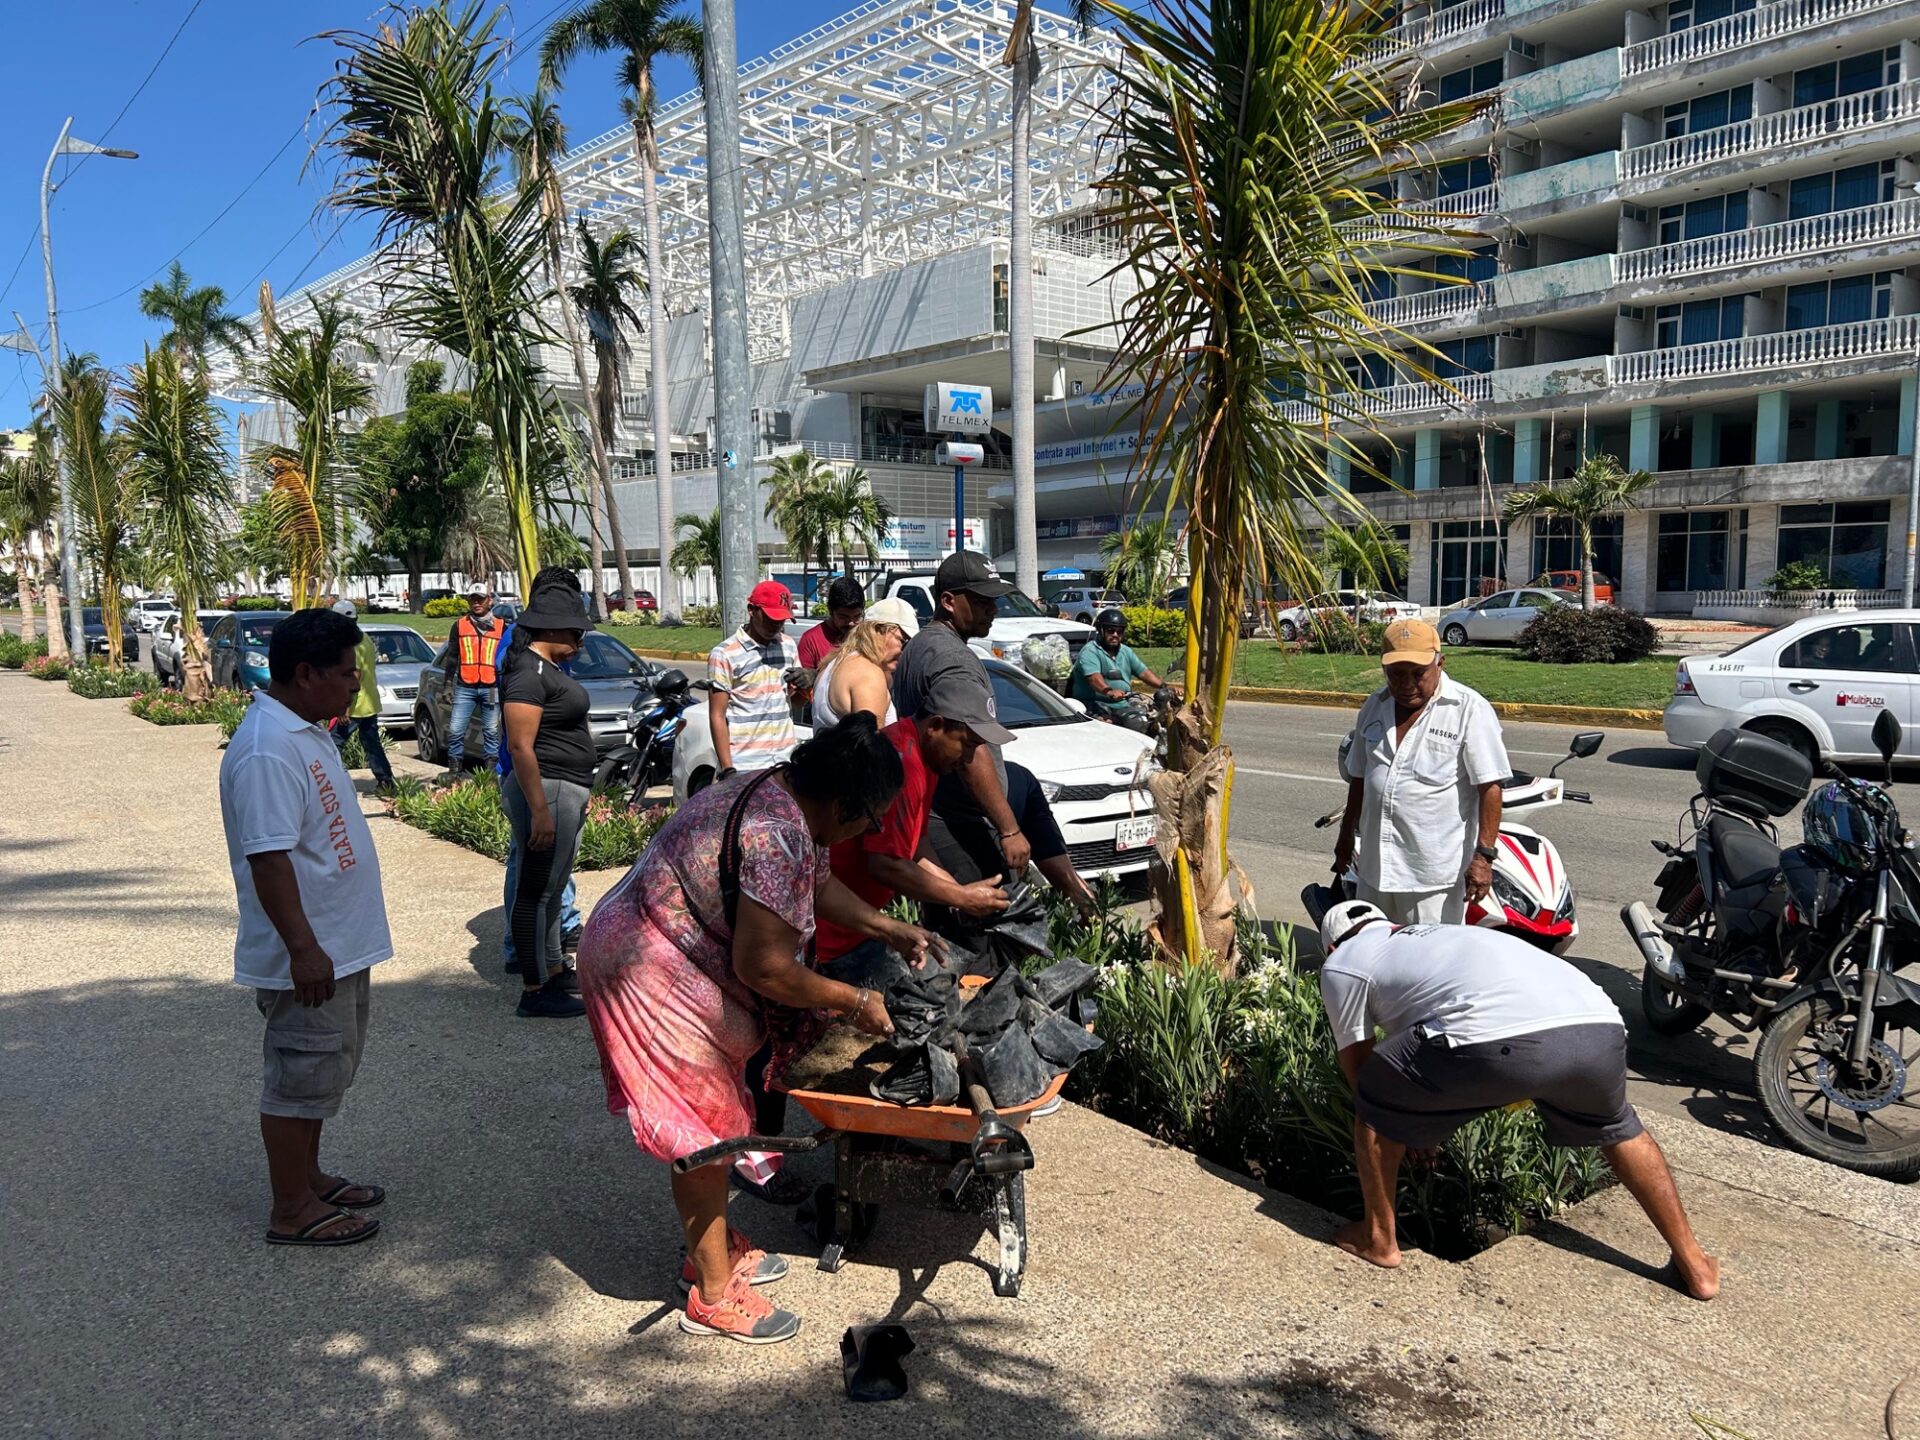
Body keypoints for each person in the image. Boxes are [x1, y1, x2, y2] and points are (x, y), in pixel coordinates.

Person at [576, 716, 940, 1343]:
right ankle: (712, 1293)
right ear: (841, 802)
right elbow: (765, 966)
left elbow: (817, 885)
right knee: (701, 1132)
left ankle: (710, 1247)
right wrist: (855, 1001)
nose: (873, 830)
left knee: (722, 1111)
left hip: (664, 950)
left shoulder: (789, 795)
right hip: (646, 966)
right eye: (872, 817)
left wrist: (891, 929)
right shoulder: (776, 833)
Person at [1315, 901, 1720, 1301]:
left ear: (1331, 946)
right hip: (1601, 1028)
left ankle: (1378, 1238)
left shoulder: (1344, 962)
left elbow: (1360, 1069)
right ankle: (1695, 1264)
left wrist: (1407, 1123)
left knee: (1374, 1092)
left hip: (1502, 1042)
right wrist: (1418, 1117)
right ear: (1388, 923)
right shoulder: (1439, 936)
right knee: (1619, 1130)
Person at [218, 607, 392, 1248]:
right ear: (304, 672)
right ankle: (291, 1207)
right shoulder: (267, 749)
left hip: (337, 947)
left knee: (325, 1072)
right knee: (299, 1076)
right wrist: (304, 948)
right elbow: (268, 857)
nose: (354, 684)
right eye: (345, 673)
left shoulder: (302, 730)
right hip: (309, 956)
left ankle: (310, 1176)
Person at [894, 551, 1096, 914]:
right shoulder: (953, 662)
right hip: (961, 817)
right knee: (992, 925)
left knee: (1024, 782)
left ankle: (1083, 903)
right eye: (982, 600)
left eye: (994, 600)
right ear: (949, 602)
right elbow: (969, 749)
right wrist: (1008, 829)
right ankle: (1083, 910)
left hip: (941, 804)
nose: (994, 608)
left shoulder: (920, 645)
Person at [815, 671, 1015, 962]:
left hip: (855, 924)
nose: (969, 759)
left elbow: (916, 844)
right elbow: (885, 865)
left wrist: (957, 892)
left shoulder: (925, 758)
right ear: (936, 725)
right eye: (968, 744)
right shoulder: (904, 764)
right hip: (831, 930)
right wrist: (961, 898)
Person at [1331, 618, 1508, 926]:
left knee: (1428, 965)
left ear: (1440, 663)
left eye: (1418, 673)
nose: (1407, 683)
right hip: (1375, 869)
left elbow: (1490, 788)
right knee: (1375, 959)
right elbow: (1359, 778)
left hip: (1431, 878)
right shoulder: (1374, 707)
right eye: (1396, 674)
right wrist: (1346, 835)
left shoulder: (1468, 709)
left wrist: (1484, 857)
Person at [501, 579, 598, 1019]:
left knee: (553, 889)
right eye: (576, 632)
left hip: (564, 789)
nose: (580, 640)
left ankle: (554, 967)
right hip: (548, 788)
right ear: (553, 629)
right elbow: (521, 747)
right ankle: (535, 989)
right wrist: (540, 811)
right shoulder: (527, 671)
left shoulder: (547, 670)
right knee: (535, 891)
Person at [708, 581, 799, 776]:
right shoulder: (725, 654)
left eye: (781, 620)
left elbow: (795, 702)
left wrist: (806, 686)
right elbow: (717, 715)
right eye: (770, 618)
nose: (775, 625)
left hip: (784, 761)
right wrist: (727, 768)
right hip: (744, 764)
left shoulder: (788, 646)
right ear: (752, 610)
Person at [812, 600, 918, 730]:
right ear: (878, 630)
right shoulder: (867, 674)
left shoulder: (835, 663)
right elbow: (870, 744)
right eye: (903, 640)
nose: (904, 651)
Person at [326, 600, 397, 790]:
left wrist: (344, 708)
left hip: (354, 706)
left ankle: (333, 781)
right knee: (371, 743)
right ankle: (386, 780)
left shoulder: (350, 644)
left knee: (333, 744)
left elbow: (354, 676)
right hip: (369, 703)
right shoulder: (364, 638)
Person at [1071, 607, 1173, 727]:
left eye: (1119, 632)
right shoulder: (1090, 651)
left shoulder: (1125, 651)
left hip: (1121, 703)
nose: (1115, 635)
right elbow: (1094, 678)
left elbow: (1144, 672)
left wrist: (1165, 686)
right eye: (1111, 631)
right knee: (1124, 723)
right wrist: (1109, 691)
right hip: (1094, 704)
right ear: (1101, 630)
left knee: (1149, 717)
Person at [447, 582, 503, 777]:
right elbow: (452, 656)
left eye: (480, 598)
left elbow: (508, 658)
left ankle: (490, 772)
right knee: (455, 729)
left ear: (490, 600)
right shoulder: (459, 625)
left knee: (491, 731)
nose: (477, 602)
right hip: (465, 687)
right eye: (473, 599)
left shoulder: (502, 627)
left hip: (491, 687)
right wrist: (448, 684)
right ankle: (455, 770)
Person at [797, 575, 865, 671]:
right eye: (843, 617)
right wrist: (813, 676)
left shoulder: (867, 637)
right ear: (830, 611)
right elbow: (803, 681)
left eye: (857, 616)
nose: (851, 623)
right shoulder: (811, 640)